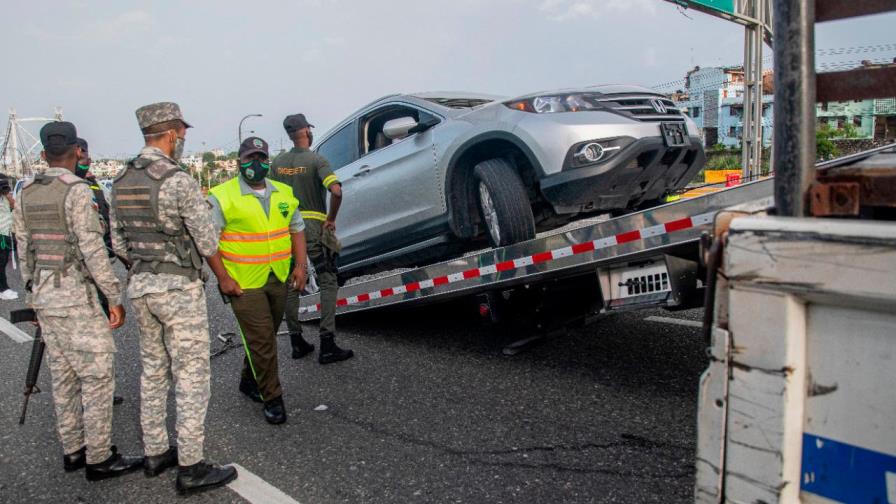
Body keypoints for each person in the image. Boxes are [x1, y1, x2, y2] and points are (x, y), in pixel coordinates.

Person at [110, 102, 236, 494]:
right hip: (178, 289)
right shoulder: (177, 179)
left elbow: (118, 243)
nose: (182, 140)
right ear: (169, 134)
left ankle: (155, 452)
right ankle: (191, 466)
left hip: (141, 287)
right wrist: (224, 278)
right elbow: (206, 238)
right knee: (191, 374)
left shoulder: (121, 179)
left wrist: (146, 263)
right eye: (181, 134)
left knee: (153, 371)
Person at [13, 121, 141, 481]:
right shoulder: (77, 191)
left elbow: (24, 250)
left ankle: (73, 449)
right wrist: (113, 297)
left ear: (43, 154)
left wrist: (32, 295)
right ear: (77, 151)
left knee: (64, 376)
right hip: (76, 297)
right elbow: (92, 250)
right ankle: (99, 456)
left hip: (45, 295)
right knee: (98, 376)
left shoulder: (26, 192)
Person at [207, 137, 307, 424]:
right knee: (263, 341)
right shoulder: (221, 196)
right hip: (242, 284)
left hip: (278, 277)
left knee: (265, 336)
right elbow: (208, 242)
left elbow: (297, 228)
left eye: (261, 158)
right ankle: (272, 397)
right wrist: (223, 278)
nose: (256, 163)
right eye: (250, 158)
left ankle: (249, 380)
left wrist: (300, 267)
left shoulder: (284, 192)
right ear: (239, 162)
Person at [271, 113, 353, 364]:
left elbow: (271, 197)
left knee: (293, 282)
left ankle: (297, 342)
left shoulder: (277, 163)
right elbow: (336, 191)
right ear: (306, 130)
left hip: (286, 228)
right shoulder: (316, 159)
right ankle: (327, 344)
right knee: (328, 280)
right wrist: (331, 218)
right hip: (313, 226)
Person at [75, 138, 125, 406]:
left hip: (99, 268)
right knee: (79, 341)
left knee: (101, 338)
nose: (88, 162)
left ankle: (100, 387)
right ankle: (85, 392)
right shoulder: (69, 190)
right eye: (84, 158)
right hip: (77, 277)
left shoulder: (92, 185)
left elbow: (108, 222)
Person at [0, 175, 18, 300]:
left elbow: (15, 206)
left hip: (6, 233)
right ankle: (3, 289)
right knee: (1, 262)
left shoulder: (5, 198)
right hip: (1, 234)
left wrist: (7, 194)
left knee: (4, 261)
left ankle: (3, 288)